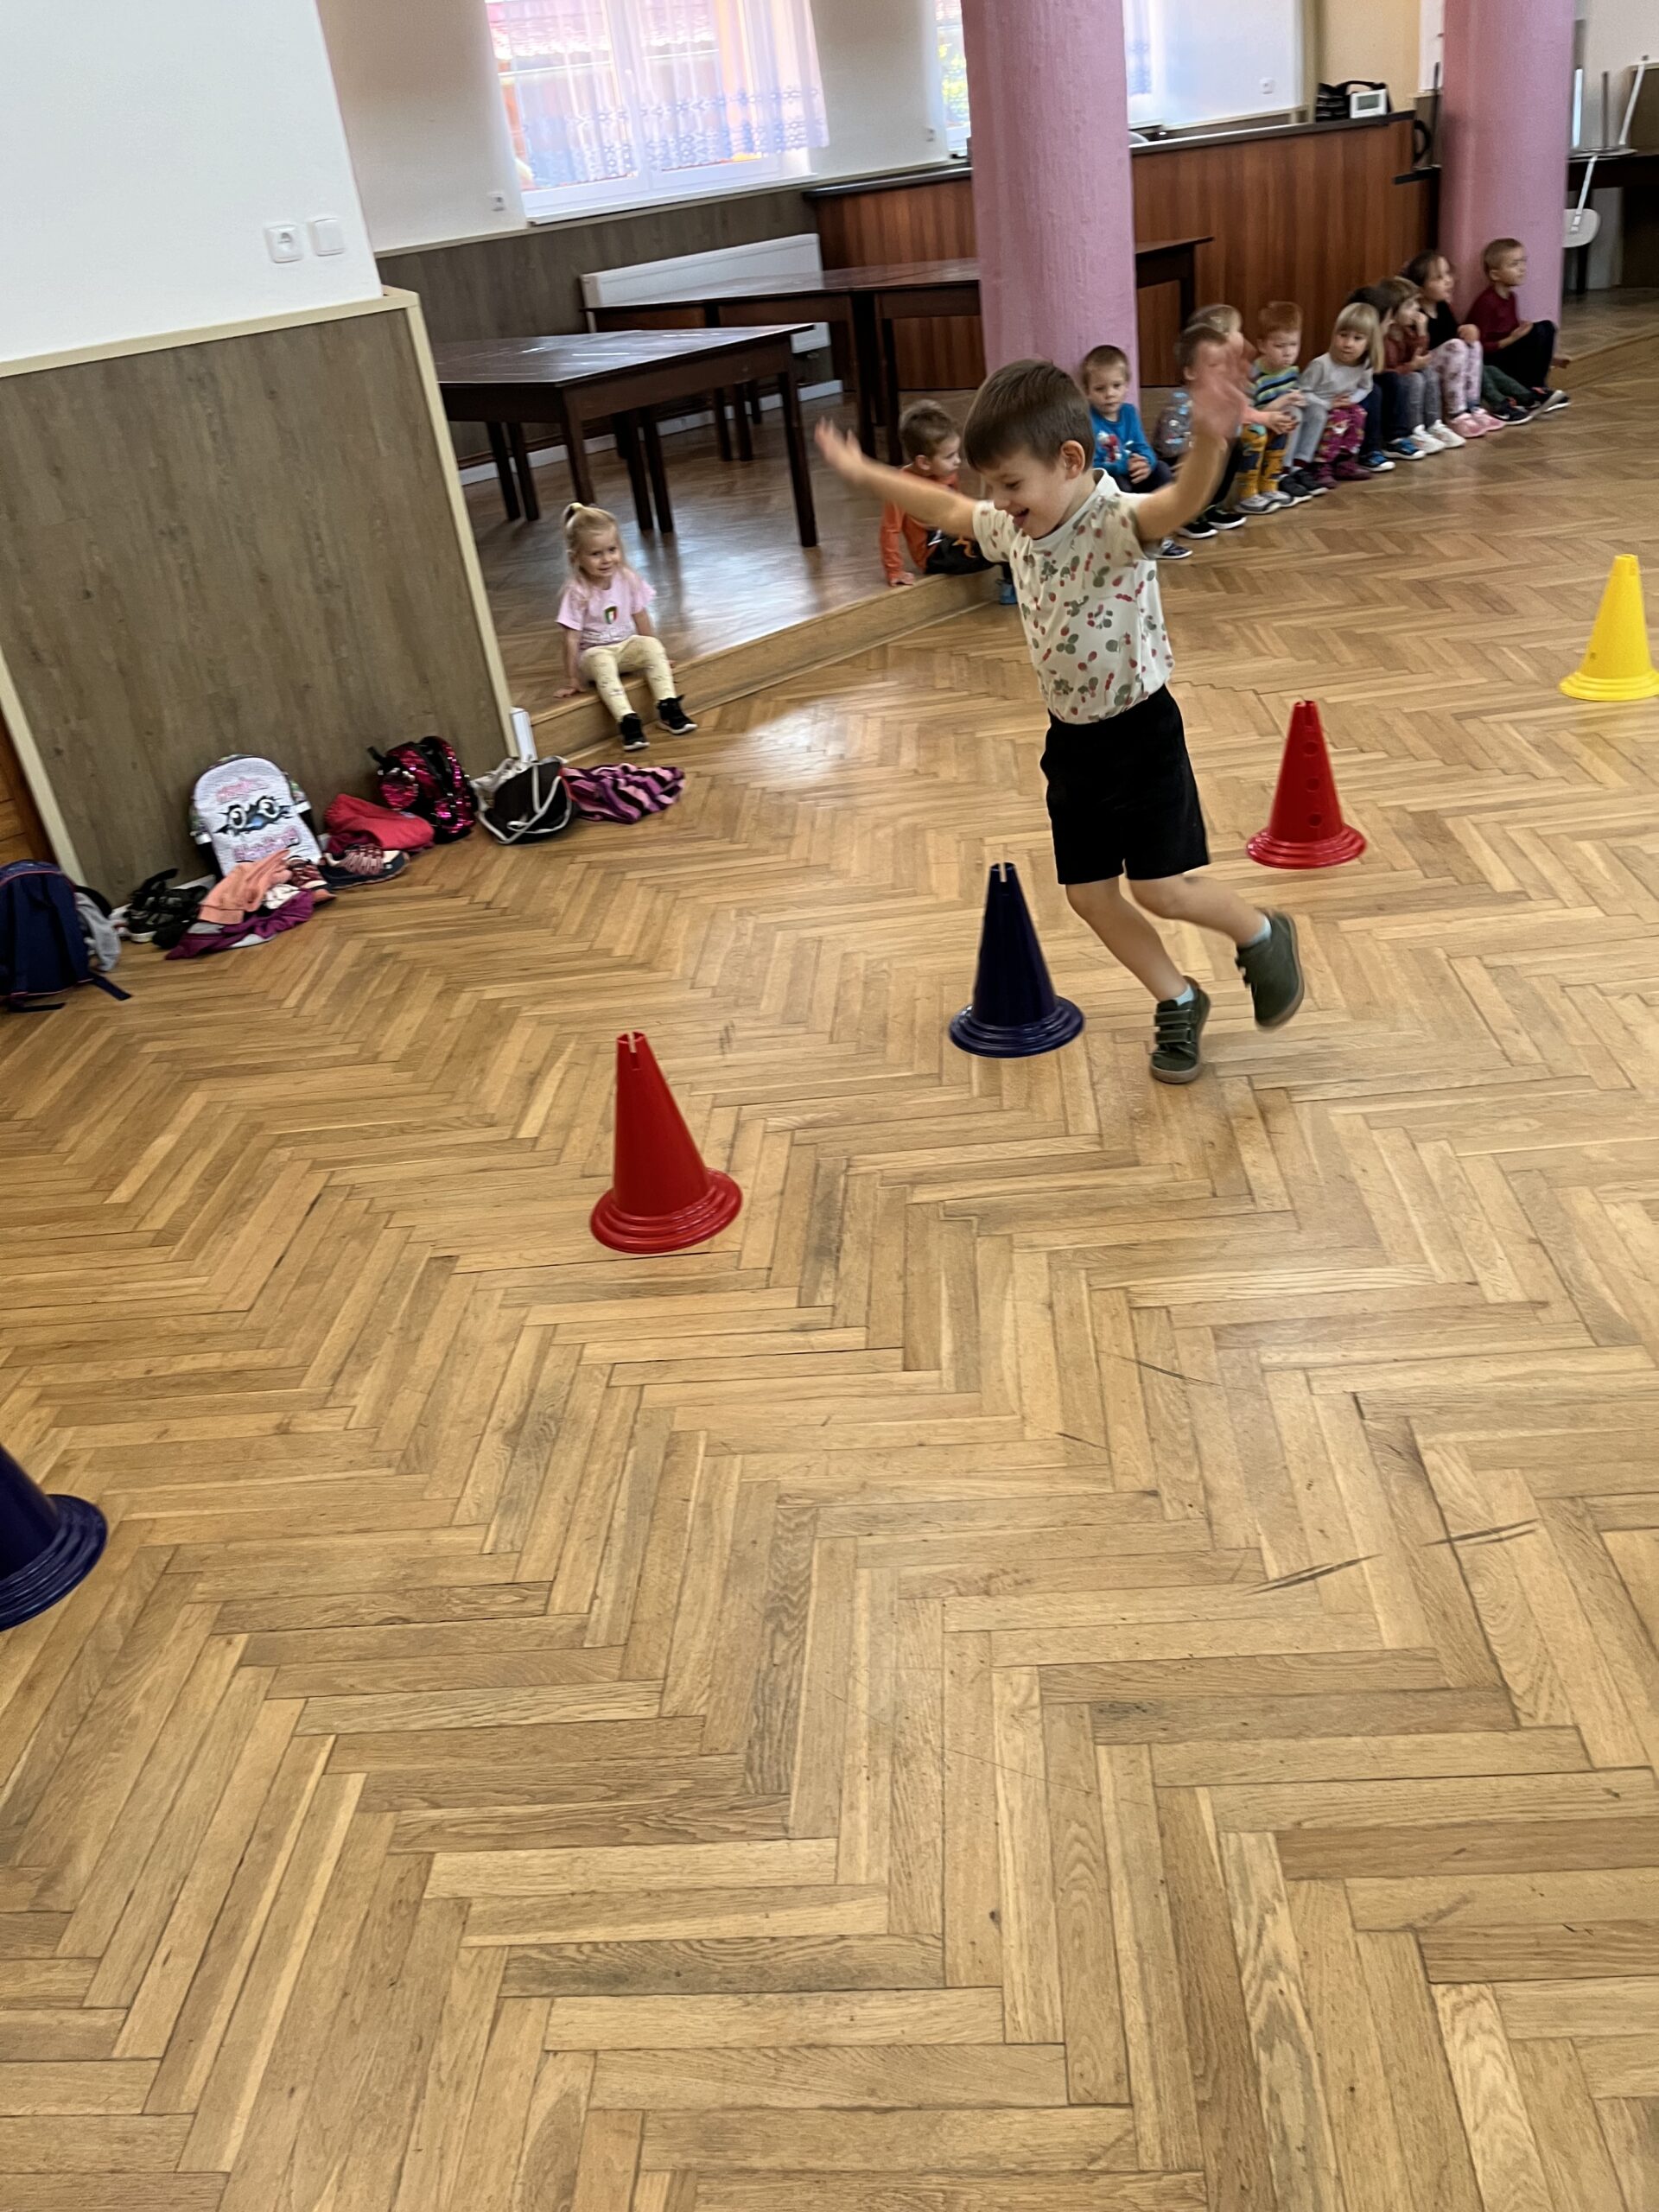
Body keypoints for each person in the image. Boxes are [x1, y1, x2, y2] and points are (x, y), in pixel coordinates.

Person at [814, 345, 1304, 1084]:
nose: (998, 499)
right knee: (1089, 897)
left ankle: (1262, 934)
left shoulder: (1115, 522)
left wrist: (1210, 436)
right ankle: (1177, 998)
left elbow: (1180, 502)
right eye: (992, 484)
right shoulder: (1015, 527)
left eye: (1011, 483)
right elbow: (945, 509)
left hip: (1141, 733)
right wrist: (864, 473)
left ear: (1070, 460)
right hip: (1071, 743)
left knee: (1161, 890)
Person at [554, 503, 696, 752]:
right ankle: (627, 721)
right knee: (602, 661)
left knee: (651, 646)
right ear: (576, 558)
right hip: (595, 654)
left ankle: (668, 707)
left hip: (625, 646)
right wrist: (573, 678)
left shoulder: (627, 579)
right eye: (595, 554)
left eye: (612, 550)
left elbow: (641, 616)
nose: (606, 559)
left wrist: (656, 654)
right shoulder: (577, 591)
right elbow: (571, 638)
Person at [1079, 342, 1191, 560]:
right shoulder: (1087, 420)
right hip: (1112, 479)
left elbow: (1143, 447)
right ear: (1087, 392)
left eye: (1116, 385)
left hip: (1134, 473)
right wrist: (1123, 465)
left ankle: (1159, 536)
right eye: (1100, 389)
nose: (1110, 394)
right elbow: (1091, 467)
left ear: (1126, 386)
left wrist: (1147, 462)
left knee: (1162, 471)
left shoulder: (1129, 412)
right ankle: (1127, 540)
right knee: (1120, 485)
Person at [1402, 250, 1503, 435]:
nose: (1448, 281)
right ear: (1420, 289)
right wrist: (1422, 329)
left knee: (1473, 344)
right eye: (1439, 278)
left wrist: (1469, 329)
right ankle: (1455, 412)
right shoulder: (1415, 315)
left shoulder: (1442, 306)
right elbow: (1417, 351)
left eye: (1448, 273)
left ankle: (1472, 405)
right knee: (1456, 347)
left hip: (1447, 363)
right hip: (1424, 365)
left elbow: (1454, 333)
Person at [1467, 238, 1570, 411]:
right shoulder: (1486, 302)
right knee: (1539, 330)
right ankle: (1532, 389)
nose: (1522, 268)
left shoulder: (1512, 298)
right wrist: (1512, 339)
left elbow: (1516, 336)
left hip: (1508, 355)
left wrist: (1551, 359)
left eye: (1523, 262)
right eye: (1514, 264)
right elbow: (1478, 347)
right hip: (1492, 363)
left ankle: (1538, 387)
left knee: (1546, 327)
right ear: (1495, 275)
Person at [1293, 303, 1382, 487]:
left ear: (1369, 343)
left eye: (1357, 338)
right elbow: (1302, 392)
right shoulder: (1320, 365)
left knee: (1358, 414)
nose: (1348, 344)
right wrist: (1328, 405)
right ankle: (1320, 464)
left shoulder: (1364, 364)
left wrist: (1351, 401)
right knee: (1339, 418)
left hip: (1340, 406)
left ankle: (1343, 461)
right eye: (1343, 335)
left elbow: (1366, 388)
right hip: (1316, 409)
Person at [1236, 301, 1311, 508]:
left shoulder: (1292, 371)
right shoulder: (1254, 375)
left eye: (1293, 345)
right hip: (1252, 429)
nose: (1288, 353)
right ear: (1262, 345)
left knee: (1286, 421)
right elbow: (1249, 415)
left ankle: (1271, 484)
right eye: (1279, 346)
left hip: (1273, 427)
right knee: (1260, 430)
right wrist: (1281, 402)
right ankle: (1248, 492)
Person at [1375, 276, 1461, 452]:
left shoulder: (1406, 331)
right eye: (1409, 305)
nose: (1416, 308)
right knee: (1415, 379)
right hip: (1391, 384)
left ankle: (1434, 425)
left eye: (1415, 302)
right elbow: (1386, 373)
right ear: (1391, 313)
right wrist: (1412, 367)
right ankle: (1414, 430)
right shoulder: (1384, 339)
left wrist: (1422, 332)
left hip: (1404, 374)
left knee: (1429, 373)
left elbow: (1419, 354)